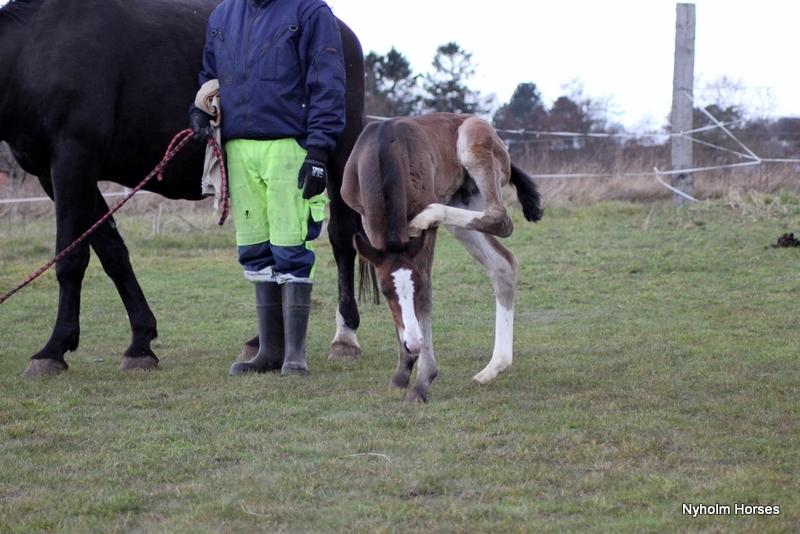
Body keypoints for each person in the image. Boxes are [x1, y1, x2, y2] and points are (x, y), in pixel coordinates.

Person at [189, 0, 346, 377]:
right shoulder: (223, 15)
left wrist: (319, 151)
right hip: (238, 147)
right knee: (256, 250)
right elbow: (210, 74)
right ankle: (269, 352)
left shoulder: (310, 12)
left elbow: (327, 81)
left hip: (289, 146)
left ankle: (295, 355)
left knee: (292, 247)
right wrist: (198, 109)